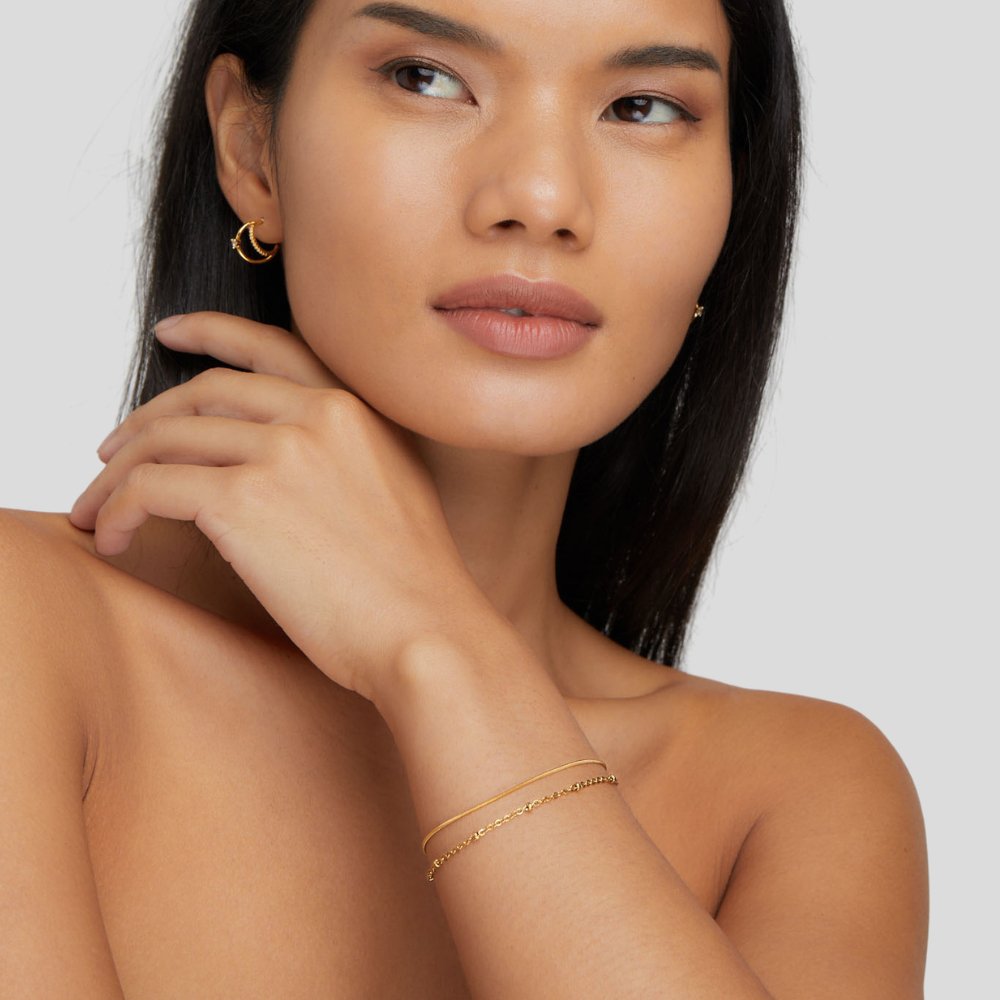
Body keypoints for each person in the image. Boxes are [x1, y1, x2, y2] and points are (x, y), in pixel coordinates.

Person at [0, 0, 929, 996]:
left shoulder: (799, 795)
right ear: (252, 149)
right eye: (427, 78)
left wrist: (433, 644)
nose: (541, 197)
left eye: (643, 106)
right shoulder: (29, 628)